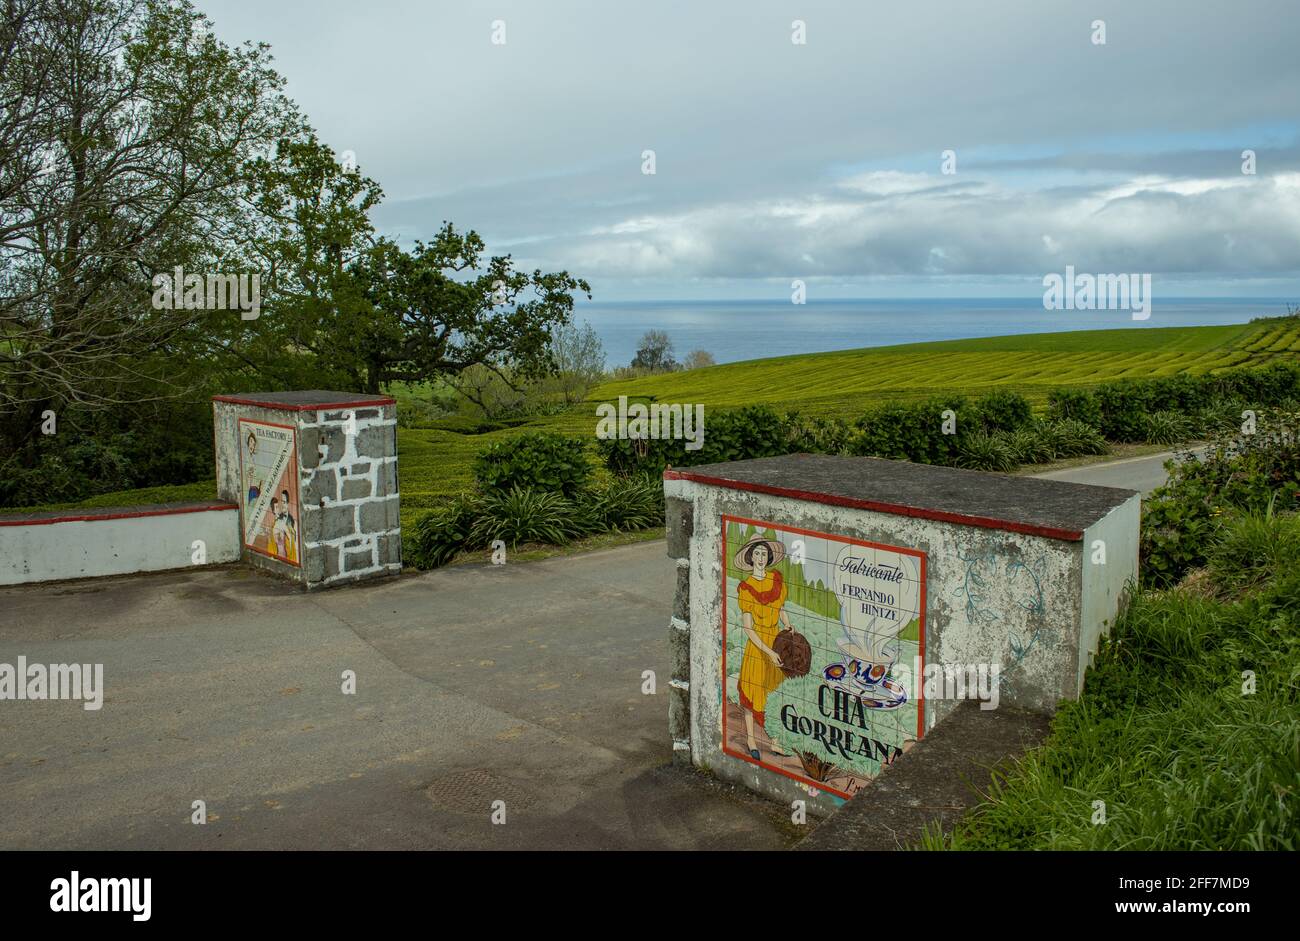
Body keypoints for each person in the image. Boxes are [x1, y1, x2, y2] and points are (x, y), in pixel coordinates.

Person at [735, 533, 794, 761]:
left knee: (773, 692)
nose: (760, 557)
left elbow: (781, 608)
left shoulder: (776, 580)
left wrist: (788, 625)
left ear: (769, 557)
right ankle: (751, 738)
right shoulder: (746, 588)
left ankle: (775, 741)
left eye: (764, 554)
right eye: (757, 553)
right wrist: (768, 652)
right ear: (750, 557)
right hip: (758, 646)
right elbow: (748, 628)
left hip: (775, 641)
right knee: (753, 691)